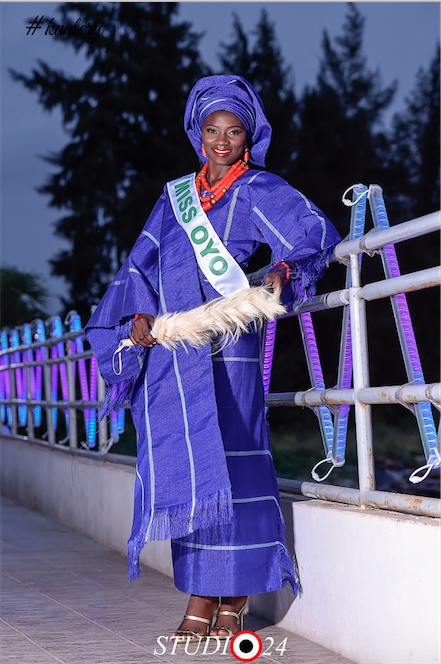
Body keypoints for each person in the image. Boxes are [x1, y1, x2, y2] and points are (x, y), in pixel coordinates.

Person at [85, 75, 341, 641]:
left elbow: (315, 229)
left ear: (248, 137)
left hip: (230, 347)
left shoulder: (258, 188)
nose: (221, 139)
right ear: (197, 135)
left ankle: (237, 597)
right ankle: (203, 594)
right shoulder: (174, 199)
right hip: (177, 351)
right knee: (192, 462)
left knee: (237, 460)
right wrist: (139, 317)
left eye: (233, 130)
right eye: (211, 129)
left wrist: (284, 268)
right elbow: (138, 269)